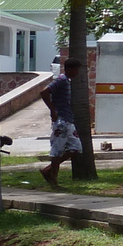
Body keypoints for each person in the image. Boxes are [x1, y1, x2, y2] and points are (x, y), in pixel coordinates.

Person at [40, 57, 85, 187]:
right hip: (61, 121)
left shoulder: (67, 81)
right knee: (57, 150)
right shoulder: (61, 80)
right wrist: (53, 110)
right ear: (70, 69)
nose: (77, 72)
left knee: (76, 148)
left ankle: (48, 170)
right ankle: (53, 177)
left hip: (68, 119)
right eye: (76, 69)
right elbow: (44, 92)